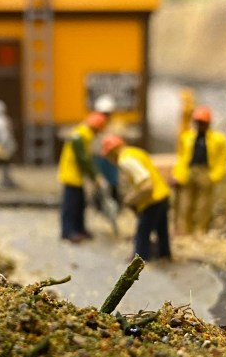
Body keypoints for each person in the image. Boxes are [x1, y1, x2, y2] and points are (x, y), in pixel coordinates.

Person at [101, 134, 172, 262]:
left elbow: (146, 185)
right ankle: (164, 254)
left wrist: (131, 199)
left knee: (143, 231)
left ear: (112, 152)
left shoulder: (125, 160)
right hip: (163, 194)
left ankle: (140, 258)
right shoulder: (136, 152)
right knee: (162, 230)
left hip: (151, 200)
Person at [171, 106, 226, 234]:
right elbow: (181, 157)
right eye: (197, 122)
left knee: (203, 206)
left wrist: (215, 176)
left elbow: (222, 159)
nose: (199, 125)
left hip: (206, 172)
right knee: (185, 204)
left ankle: (200, 231)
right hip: (189, 172)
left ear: (208, 123)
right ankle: (184, 231)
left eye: (202, 123)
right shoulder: (187, 137)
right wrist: (177, 175)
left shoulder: (218, 140)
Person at [57, 111, 108, 243]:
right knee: (71, 205)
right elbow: (83, 159)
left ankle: (79, 228)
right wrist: (95, 176)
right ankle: (67, 231)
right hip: (71, 174)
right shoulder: (81, 135)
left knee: (80, 203)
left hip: (76, 174)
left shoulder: (83, 133)